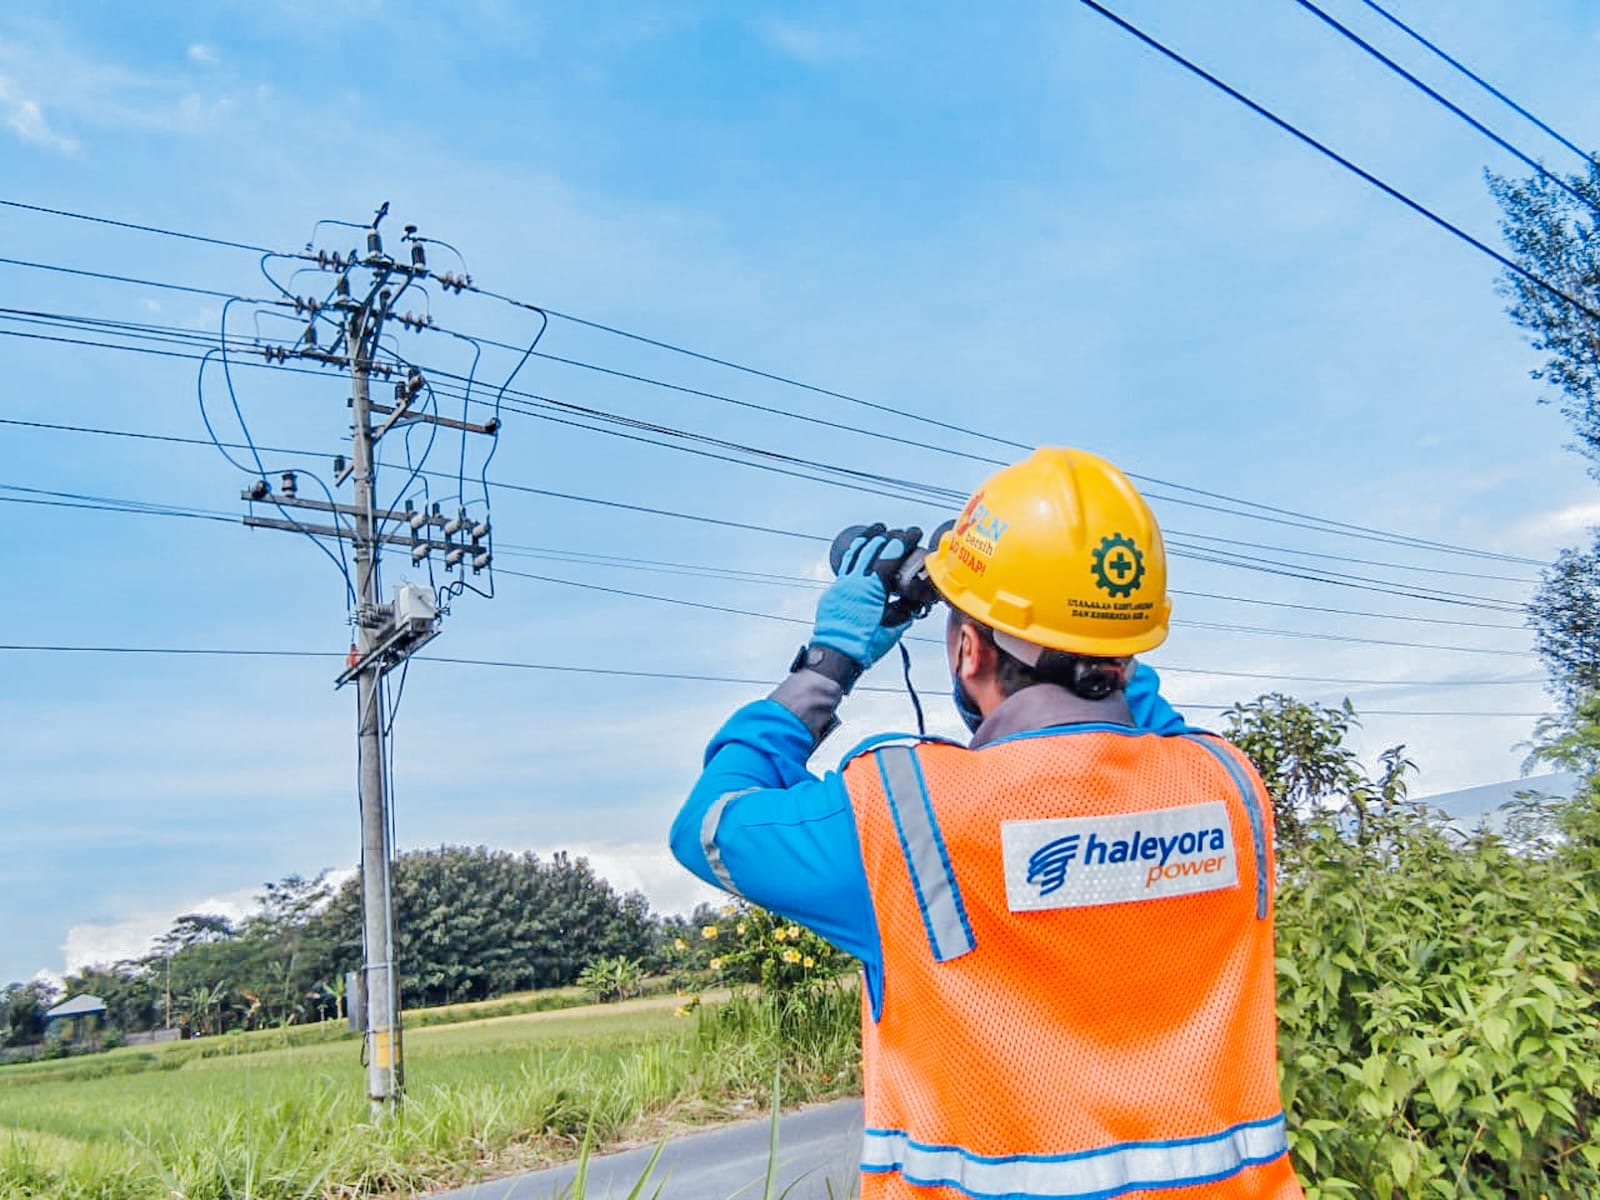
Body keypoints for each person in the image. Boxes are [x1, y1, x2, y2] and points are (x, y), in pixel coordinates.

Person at [670, 447, 1304, 1199]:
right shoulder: (1230, 787)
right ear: (1130, 650)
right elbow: (1142, 723)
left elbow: (709, 821)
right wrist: (1087, 629)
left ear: (969, 649)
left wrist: (829, 661)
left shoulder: (903, 818)